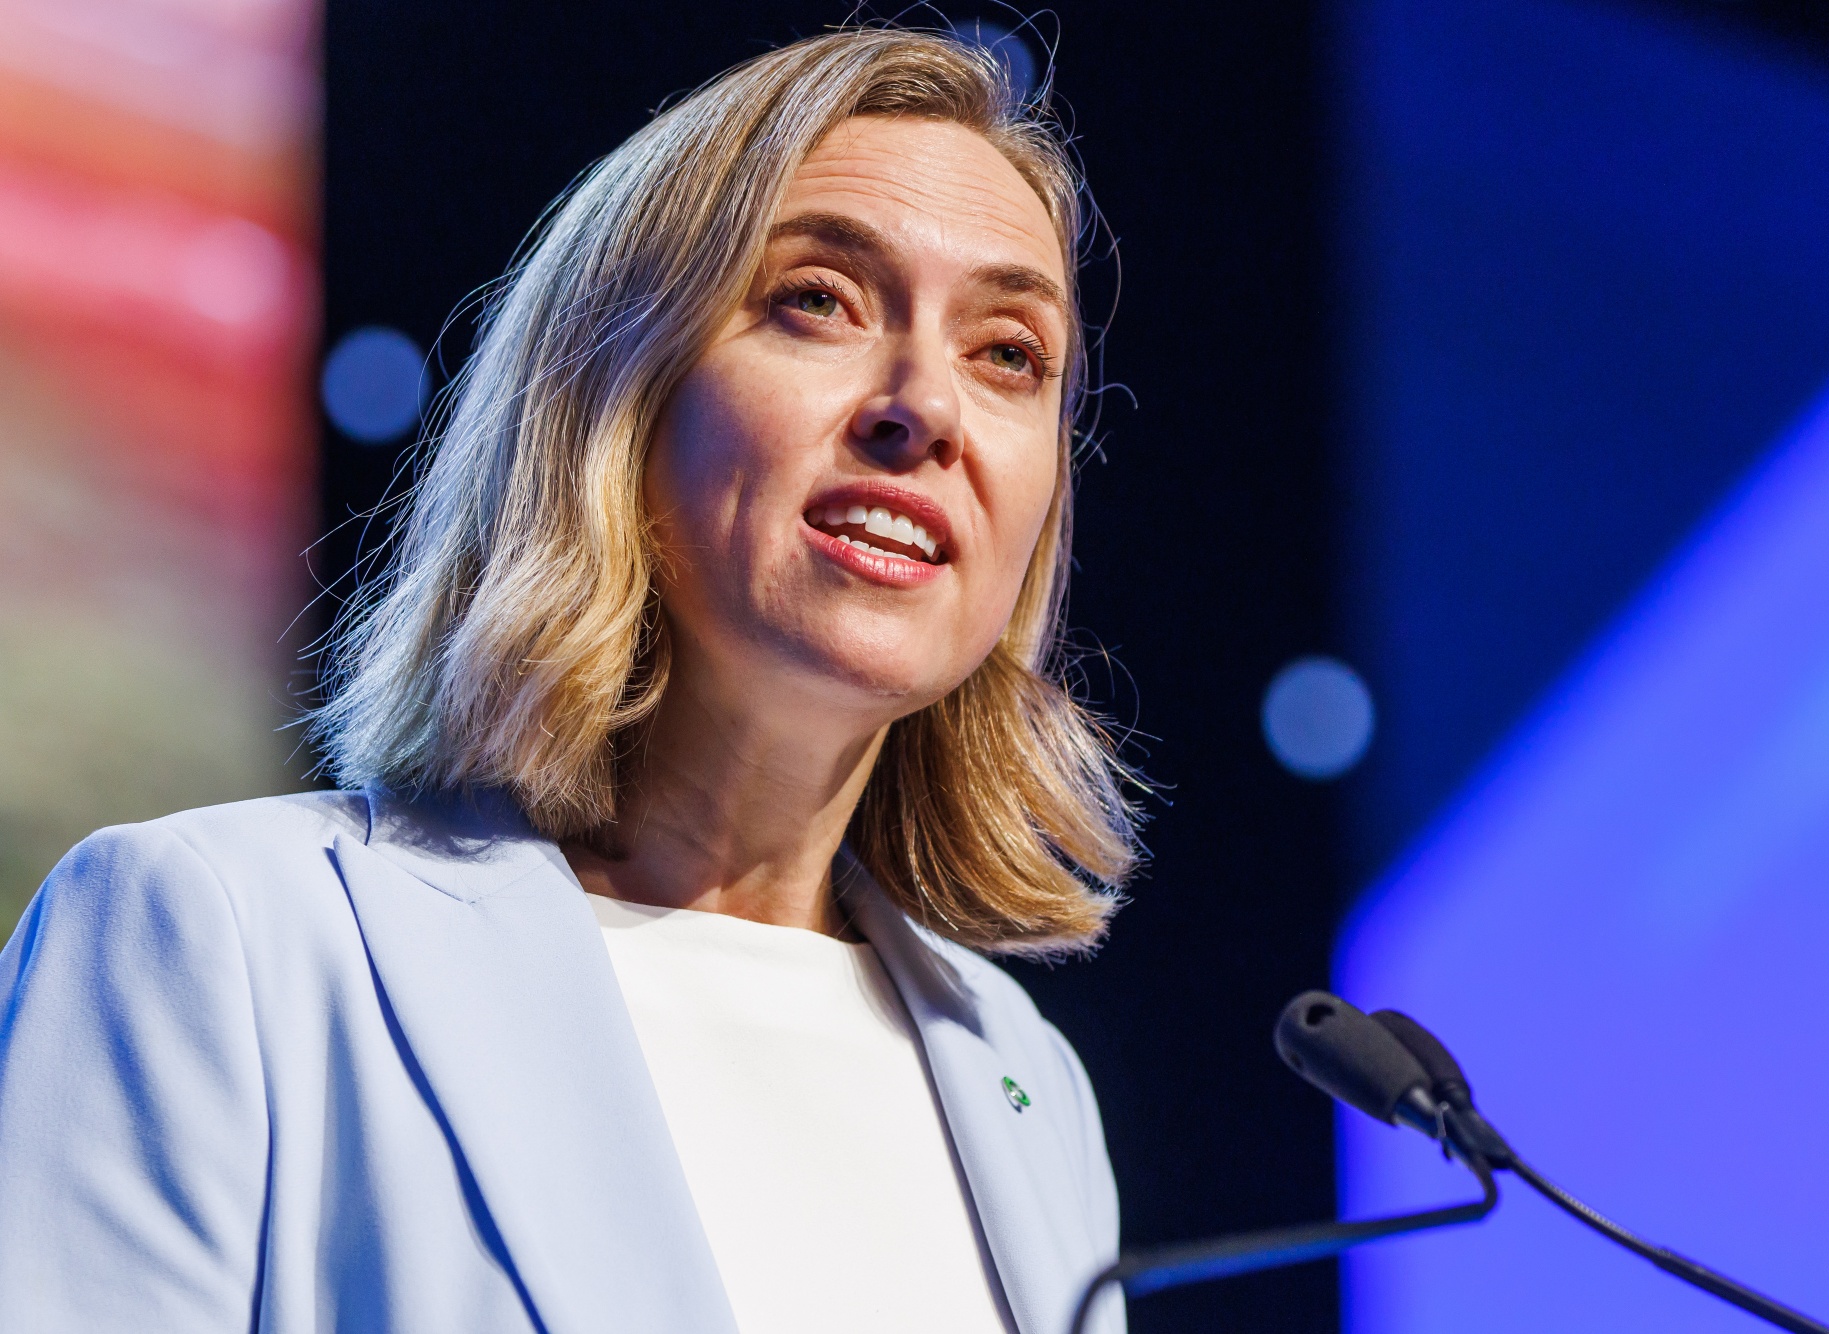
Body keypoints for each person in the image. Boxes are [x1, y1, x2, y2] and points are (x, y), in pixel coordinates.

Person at [0, 28, 1140, 1334]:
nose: (924, 406)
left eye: (1010, 353)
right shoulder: (216, 935)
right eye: (818, 299)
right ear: (612, 397)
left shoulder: (1025, 1078)